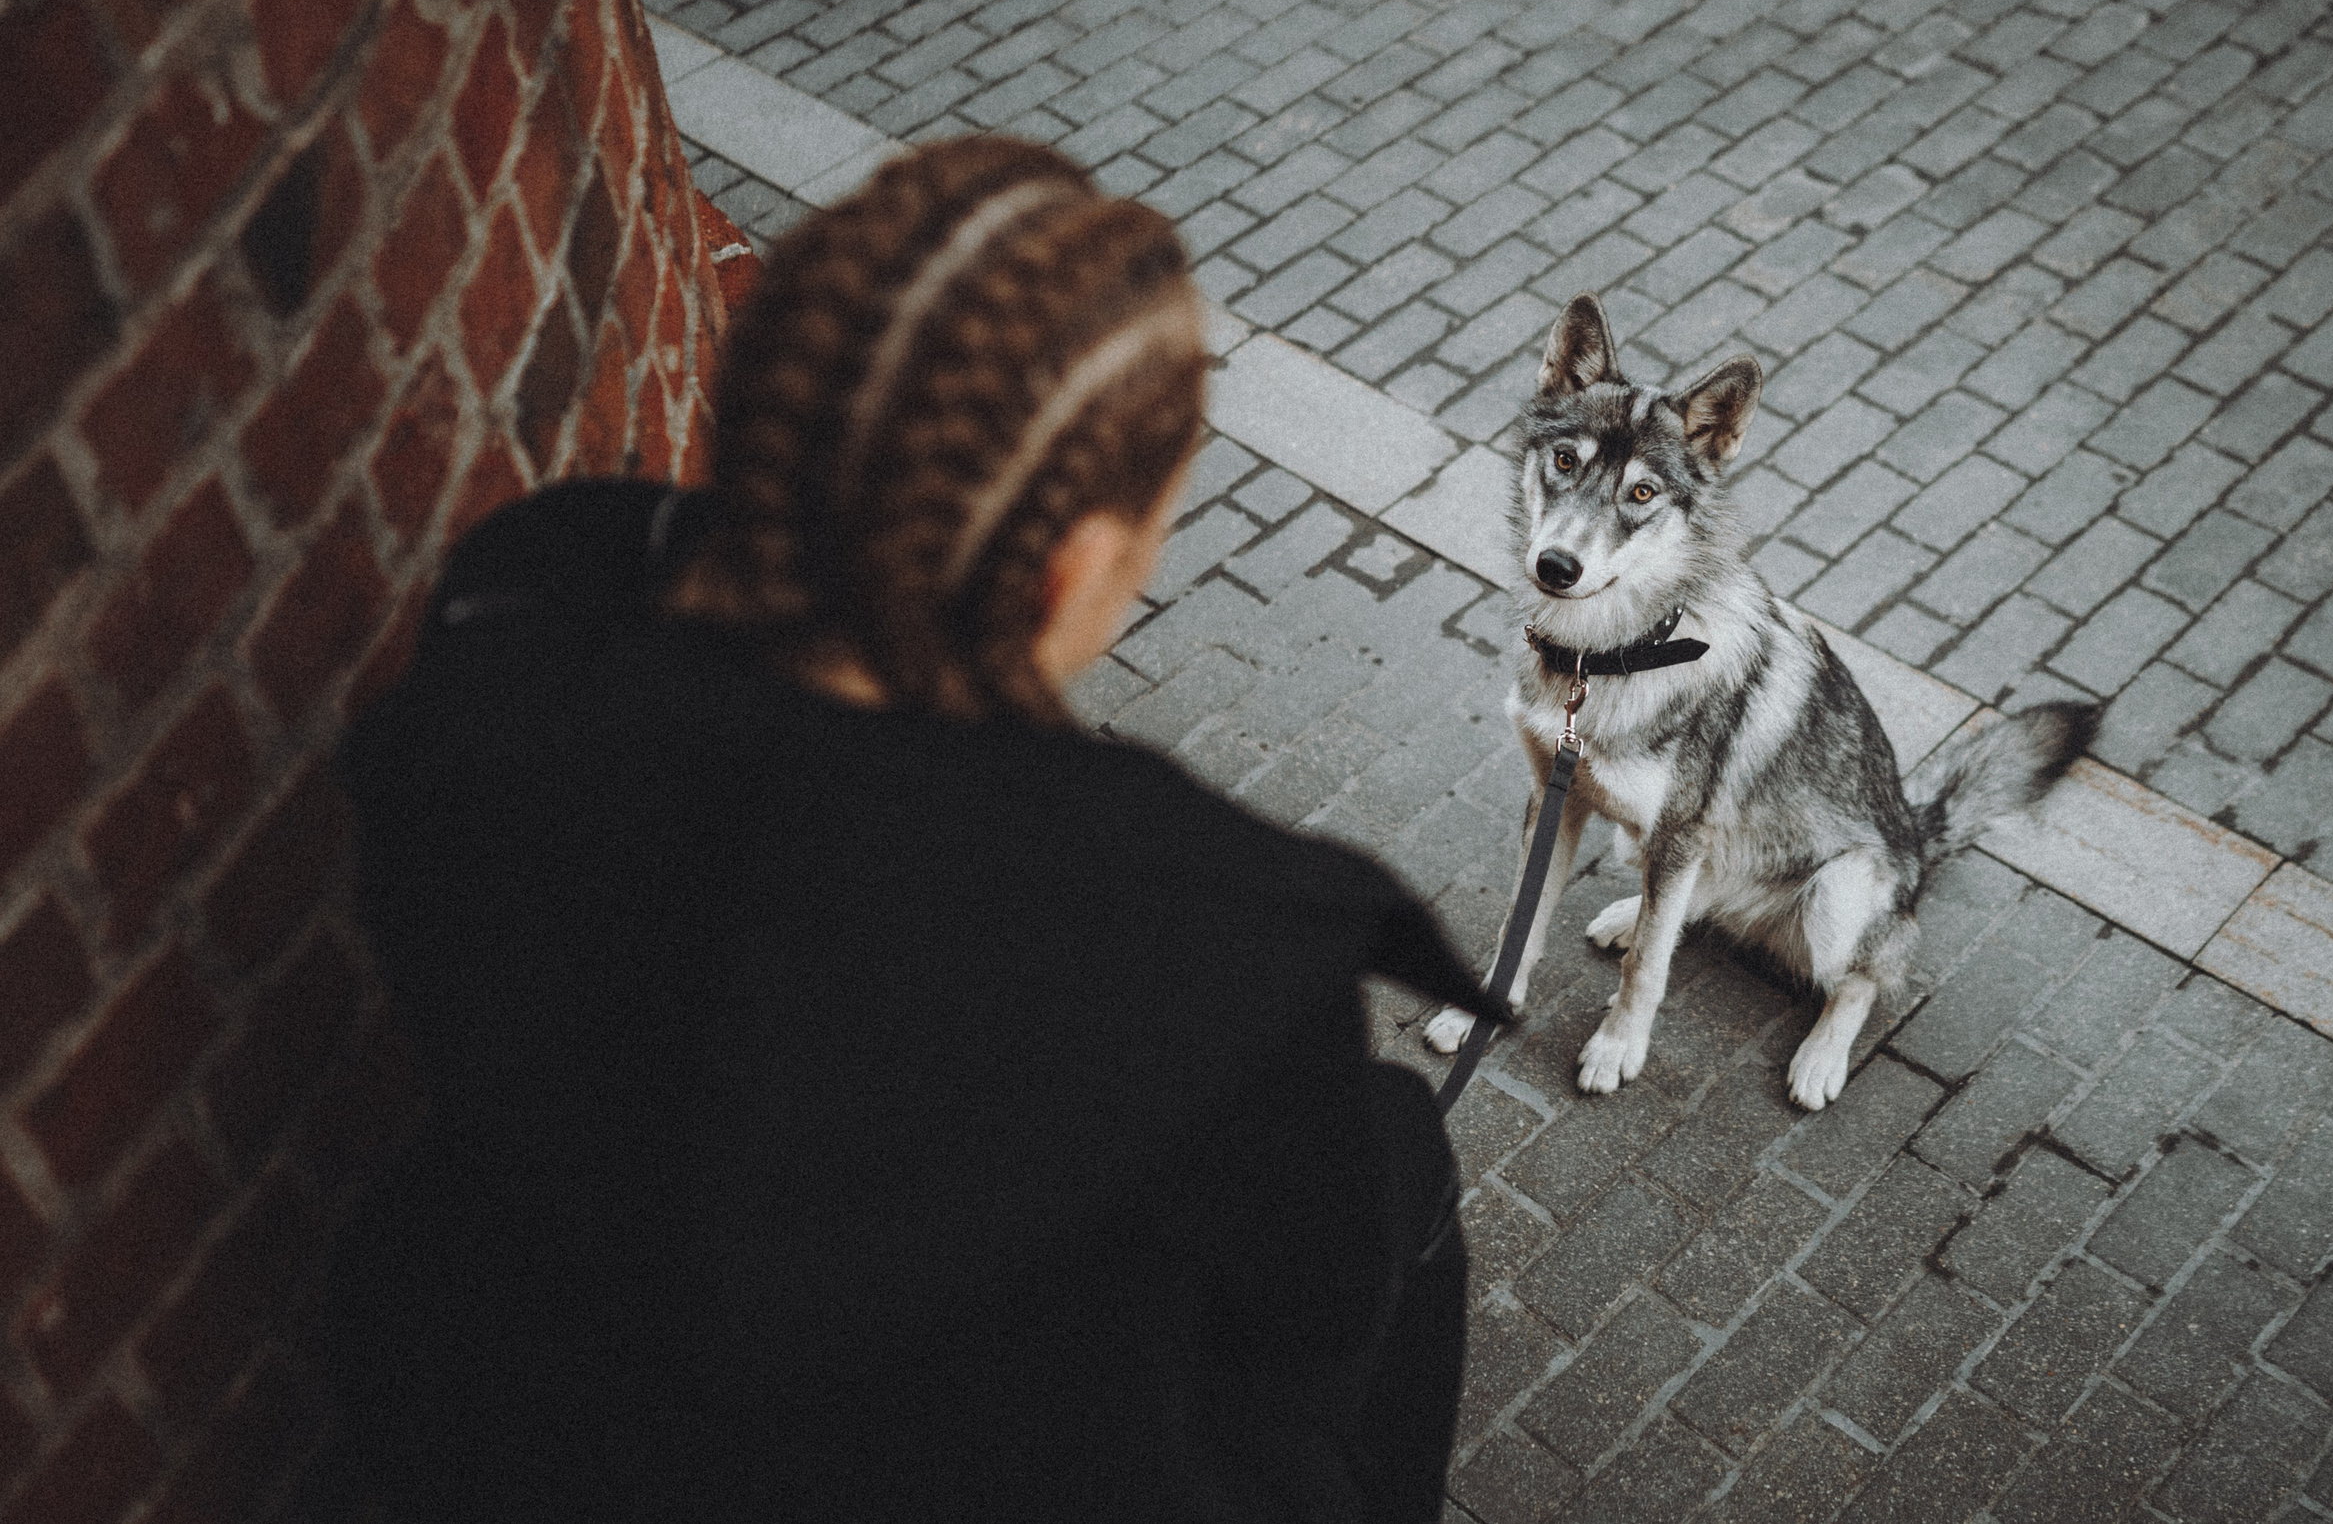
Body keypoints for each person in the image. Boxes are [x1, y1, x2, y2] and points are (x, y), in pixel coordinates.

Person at [318, 137, 1503, 1523]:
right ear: (1067, 571)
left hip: (535, 1412)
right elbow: (1303, 1329)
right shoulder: (1203, 948)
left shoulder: (515, 631)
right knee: (1399, 1162)